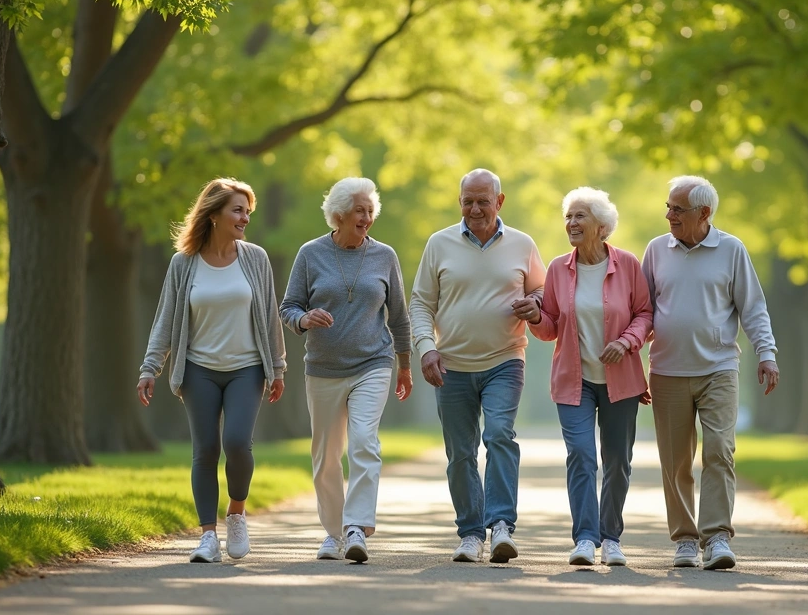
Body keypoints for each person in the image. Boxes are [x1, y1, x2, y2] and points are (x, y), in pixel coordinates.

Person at [138, 178, 287, 563]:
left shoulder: (255, 257)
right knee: (205, 449)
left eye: (248, 210)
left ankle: (236, 514)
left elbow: (269, 314)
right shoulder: (183, 263)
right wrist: (150, 367)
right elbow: (166, 319)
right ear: (214, 214)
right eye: (238, 210)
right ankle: (207, 537)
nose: (245, 217)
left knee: (237, 442)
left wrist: (278, 367)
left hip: (247, 368)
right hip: (197, 369)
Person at [641, 175, 780, 571]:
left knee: (719, 449)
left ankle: (716, 536)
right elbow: (642, 311)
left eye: (677, 209)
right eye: (667, 207)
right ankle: (685, 539)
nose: (668, 215)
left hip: (719, 367)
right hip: (666, 370)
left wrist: (767, 354)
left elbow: (753, 308)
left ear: (704, 213)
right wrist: (631, 361)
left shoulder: (732, 249)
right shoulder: (655, 250)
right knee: (675, 460)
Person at [408, 168, 546, 563]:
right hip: (450, 365)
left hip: (505, 359)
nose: (474, 208)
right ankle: (470, 532)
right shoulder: (439, 243)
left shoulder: (522, 244)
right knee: (461, 453)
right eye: (467, 201)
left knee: (500, 434)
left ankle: (501, 525)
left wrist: (534, 304)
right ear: (460, 202)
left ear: (499, 202)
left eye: (483, 200)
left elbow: (540, 289)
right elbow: (420, 303)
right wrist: (425, 348)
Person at [280, 177, 413, 563]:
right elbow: (287, 306)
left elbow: (400, 317)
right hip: (322, 368)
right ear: (338, 215)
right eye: (360, 211)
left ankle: (356, 527)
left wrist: (404, 366)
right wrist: (305, 319)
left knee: (364, 442)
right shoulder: (310, 254)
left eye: (371, 211)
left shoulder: (385, 256)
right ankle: (333, 533)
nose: (367, 218)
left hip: (373, 363)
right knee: (325, 456)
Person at [526, 187, 653, 566]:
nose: (571, 223)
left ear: (601, 226)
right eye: (568, 216)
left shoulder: (628, 265)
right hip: (574, 381)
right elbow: (550, 327)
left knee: (617, 460)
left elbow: (645, 314)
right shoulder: (557, 269)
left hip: (622, 382)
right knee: (581, 456)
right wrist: (535, 317)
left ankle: (611, 537)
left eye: (580, 216)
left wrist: (626, 342)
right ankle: (584, 538)